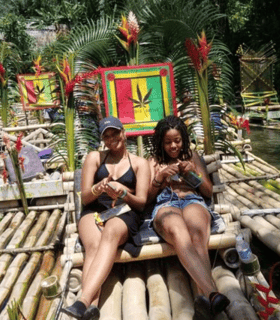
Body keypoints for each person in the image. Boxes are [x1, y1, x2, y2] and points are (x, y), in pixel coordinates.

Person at [62, 116, 151, 320]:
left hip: (125, 211)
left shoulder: (140, 163)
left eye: (115, 133)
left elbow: (141, 202)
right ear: (103, 139)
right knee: (93, 245)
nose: (112, 139)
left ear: (123, 132)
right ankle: (92, 307)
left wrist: (122, 194)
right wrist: (98, 188)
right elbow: (85, 197)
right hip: (94, 209)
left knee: (110, 232)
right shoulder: (95, 157)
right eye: (107, 136)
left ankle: (83, 301)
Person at [147, 115, 230, 318]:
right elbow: (147, 199)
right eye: (168, 142)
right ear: (160, 142)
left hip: (192, 200)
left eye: (177, 141)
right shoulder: (153, 161)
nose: (173, 146)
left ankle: (206, 296)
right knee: (178, 231)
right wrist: (159, 177)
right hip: (166, 203)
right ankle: (211, 292)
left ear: (183, 138)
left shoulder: (191, 156)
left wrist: (193, 174)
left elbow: (208, 192)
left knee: (197, 232)